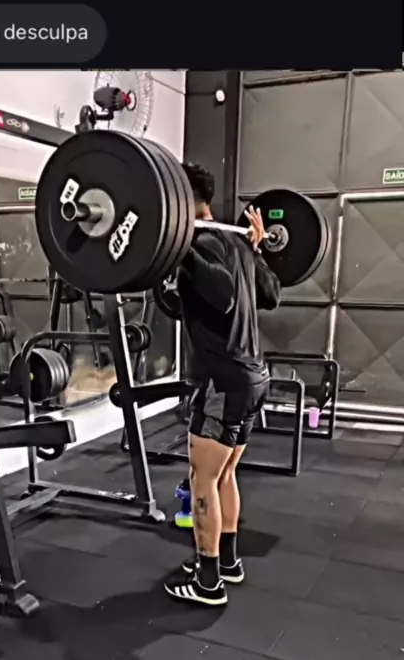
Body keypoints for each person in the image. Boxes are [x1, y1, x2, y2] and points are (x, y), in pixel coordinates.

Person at [164, 162, 281, 606]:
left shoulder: (201, 242)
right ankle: (227, 563)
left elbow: (224, 294)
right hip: (252, 378)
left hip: (224, 382)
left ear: (180, 196)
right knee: (226, 473)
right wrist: (256, 249)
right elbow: (270, 294)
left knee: (202, 480)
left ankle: (207, 583)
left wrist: (179, 247)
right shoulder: (236, 240)